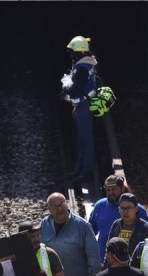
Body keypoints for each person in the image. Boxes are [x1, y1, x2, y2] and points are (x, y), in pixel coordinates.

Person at [39, 192, 99, 276]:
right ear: (49, 209)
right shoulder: (43, 225)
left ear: (67, 204)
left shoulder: (82, 225)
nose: (60, 209)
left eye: (62, 205)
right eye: (55, 206)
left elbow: (93, 254)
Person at [61, 36, 97, 182]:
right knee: (83, 139)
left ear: (78, 53)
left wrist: (65, 88)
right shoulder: (85, 64)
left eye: (72, 52)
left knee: (86, 140)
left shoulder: (82, 68)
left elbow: (75, 88)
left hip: (84, 106)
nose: (71, 55)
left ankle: (86, 172)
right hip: (82, 105)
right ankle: (80, 169)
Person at [88, 175, 148, 262]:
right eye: (108, 190)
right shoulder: (99, 205)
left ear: (123, 189)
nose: (111, 192)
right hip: (105, 260)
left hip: (132, 262)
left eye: (114, 189)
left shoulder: (138, 209)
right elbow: (90, 230)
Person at [107, 193, 148, 259]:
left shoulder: (146, 227)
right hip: (117, 266)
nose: (125, 211)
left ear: (136, 209)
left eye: (129, 208)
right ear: (118, 209)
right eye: (122, 208)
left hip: (136, 267)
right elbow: (109, 249)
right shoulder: (116, 224)